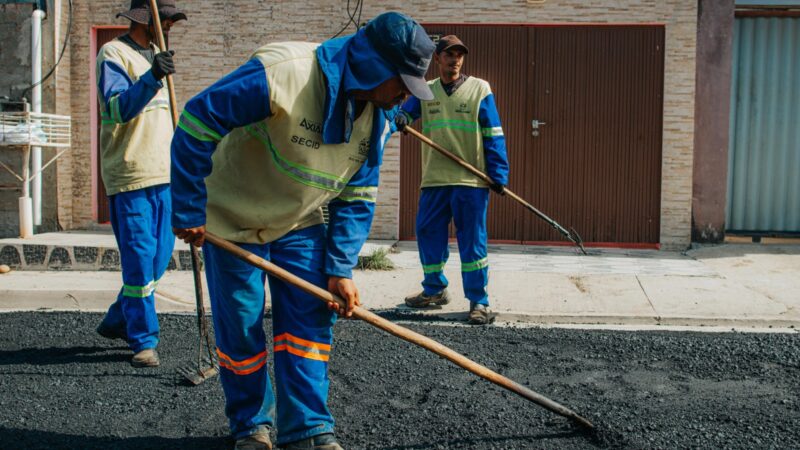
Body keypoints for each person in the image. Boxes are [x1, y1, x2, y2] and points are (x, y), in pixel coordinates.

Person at [170, 12, 435, 450]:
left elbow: (357, 197)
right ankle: (252, 426)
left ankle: (308, 429)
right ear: (373, 67)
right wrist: (187, 205)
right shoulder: (283, 73)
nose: (404, 97)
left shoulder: (381, 116)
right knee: (241, 328)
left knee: (310, 321)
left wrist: (340, 267)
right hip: (232, 219)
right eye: (401, 84)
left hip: (298, 221)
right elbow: (198, 121)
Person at [95, 0, 186, 367]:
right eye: (167, 22)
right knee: (138, 262)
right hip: (130, 176)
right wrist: (151, 78)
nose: (171, 28)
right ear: (148, 21)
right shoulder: (113, 53)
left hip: (164, 176)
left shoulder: (157, 57)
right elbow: (117, 108)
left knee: (158, 261)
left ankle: (119, 318)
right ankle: (144, 340)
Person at [395, 35, 509, 325]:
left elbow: (493, 133)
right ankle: (434, 290)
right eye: (449, 54)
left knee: (472, 242)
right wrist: (402, 119)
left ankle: (478, 302)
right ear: (438, 59)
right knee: (427, 232)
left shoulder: (479, 89)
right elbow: (404, 114)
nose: (455, 59)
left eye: (459, 55)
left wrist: (498, 174)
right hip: (434, 179)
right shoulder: (426, 91)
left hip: (470, 181)